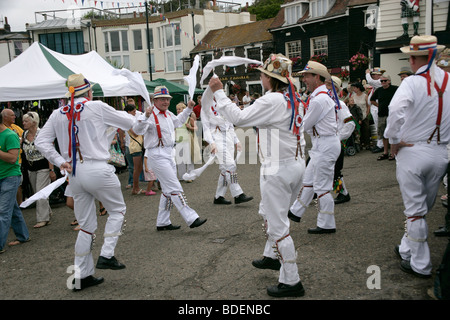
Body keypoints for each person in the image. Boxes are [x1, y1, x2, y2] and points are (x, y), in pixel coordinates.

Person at [209, 53, 306, 298]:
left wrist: (219, 92)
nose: (260, 77)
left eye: (262, 74)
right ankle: (272, 256)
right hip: (295, 163)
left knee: (277, 224)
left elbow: (239, 118)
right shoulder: (293, 98)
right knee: (270, 213)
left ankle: (292, 280)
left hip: (277, 167)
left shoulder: (272, 99)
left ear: (270, 78)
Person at [35, 73, 136, 291]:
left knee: (86, 226)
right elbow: (129, 121)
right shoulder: (96, 106)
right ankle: (107, 254)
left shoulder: (57, 113)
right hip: (97, 168)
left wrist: (60, 161)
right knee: (117, 211)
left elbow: (41, 141)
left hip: (74, 173)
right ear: (88, 92)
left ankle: (81, 276)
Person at [385, 35, 448, 278]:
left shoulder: (412, 82)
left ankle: (420, 264)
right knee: (423, 207)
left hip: (413, 150)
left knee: (415, 210)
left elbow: (395, 110)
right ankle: (406, 247)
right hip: (441, 152)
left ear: (413, 59)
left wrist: (393, 140)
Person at [133, 86, 207, 231]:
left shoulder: (167, 114)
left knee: (167, 190)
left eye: (167, 99)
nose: (166, 102)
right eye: (162, 99)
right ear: (155, 100)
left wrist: (188, 109)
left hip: (168, 153)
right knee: (174, 186)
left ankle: (163, 222)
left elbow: (178, 122)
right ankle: (191, 218)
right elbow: (137, 130)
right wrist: (145, 117)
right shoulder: (148, 114)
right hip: (156, 154)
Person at [288, 61, 341, 234]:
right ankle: (295, 212)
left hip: (325, 143)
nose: (304, 79)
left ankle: (327, 224)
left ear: (317, 77)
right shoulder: (320, 97)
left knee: (322, 187)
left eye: (306, 76)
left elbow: (305, 124)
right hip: (322, 143)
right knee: (309, 180)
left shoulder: (319, 100)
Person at [201, 87, 253, 205]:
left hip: (228, 136)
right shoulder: (206, 106)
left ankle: (218, 196)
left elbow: (230, 124)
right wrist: (211, 142)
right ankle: (238, 194)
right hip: (216, 136)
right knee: (230, 165)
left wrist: (236, 140)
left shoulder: (224, 104)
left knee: (225, 168)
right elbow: (205, 127)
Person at [0, 111, 30, 254]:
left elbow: (13, 159)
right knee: (12, 209)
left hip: (10, 177)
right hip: (2, 176)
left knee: (3, 211)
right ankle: (23, 236)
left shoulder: (10, 135)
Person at [21, 112, 55, 228]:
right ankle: (47, 212)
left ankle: (43, 218)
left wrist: (51, 170)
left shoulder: (42, 134)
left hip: (43, 167)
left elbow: (50, 152)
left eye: (26, 121)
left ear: (33, 122)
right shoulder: (24, 134)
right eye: (23, 121)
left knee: (41, 192)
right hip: (31, 168)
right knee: (38, 192)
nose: (23, 123)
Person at [328, 77, 355, 204]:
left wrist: (337, 138)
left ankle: (342, 193)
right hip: (327, 143)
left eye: (328, 87)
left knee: (335, 171)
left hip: (335, 143)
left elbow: (350, 123)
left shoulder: (339, 104)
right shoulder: (326, 103)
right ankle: (314, 192)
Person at [370, 74, 398, 161]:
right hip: (382, 114)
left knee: (392, 134)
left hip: (392, 114)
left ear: (389, 81)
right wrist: (378, 105)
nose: (383, 82)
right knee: (383, 134)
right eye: (381, 81)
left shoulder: (395, 89)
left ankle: (393, 153)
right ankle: (385, 152)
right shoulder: (379, 90)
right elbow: (372, 100)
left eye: (384, 81)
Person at [1, 108, 24, 204]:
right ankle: (17, 207)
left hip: (14, 166)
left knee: (18, 186)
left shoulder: (14, 130)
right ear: (5, 117)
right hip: (5, 170)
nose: (15, 116)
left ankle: (20, 204)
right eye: (12, 115)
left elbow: (24, 137)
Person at [365, 67, 385, 153]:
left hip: (377, 108)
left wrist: (367, 73)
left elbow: (370, 81)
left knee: (379, 127)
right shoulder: (375, 86)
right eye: (372, 75)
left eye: (374, 75)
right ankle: (380, 144)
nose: (373, 76)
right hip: (374, 108)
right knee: (378, 127)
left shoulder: (379, 82)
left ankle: (381, 145)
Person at [175, 102, 195, 182]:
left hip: (187, 140)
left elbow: (196, 128)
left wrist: (190, 127)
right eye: (177, 109)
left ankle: (190, 176)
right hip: (178, 140)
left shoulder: (189, 118)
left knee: (188, 159)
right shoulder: (176, 119)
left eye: (179, 109)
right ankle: (182, 176)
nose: (178, 111)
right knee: (180, 160)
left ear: (183, 109)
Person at [351, 82, 370, 149]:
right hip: (356, 117)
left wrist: (367, 113)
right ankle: (360, 144)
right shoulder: (353, 96)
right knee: (358, 131)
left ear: (358, 88)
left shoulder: (365, 96)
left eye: (354, 88)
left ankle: (367, 143)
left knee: (366, 130)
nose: (353, 89)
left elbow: (368, 106)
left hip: (364, 115)